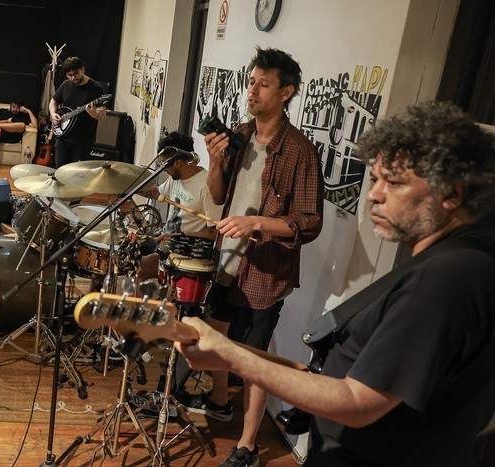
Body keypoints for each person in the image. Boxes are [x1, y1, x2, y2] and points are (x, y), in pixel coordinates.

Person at [176, 100, 495, 467]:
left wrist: (229, 353)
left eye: (394, 183)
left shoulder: (445, 280)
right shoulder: (451, 258)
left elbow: (357, 402)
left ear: (452, 193)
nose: (374, 195)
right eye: (375, 179)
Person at [184, 47, 324, 467]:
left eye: (263, 84)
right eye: (251, 81)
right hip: (227, 261)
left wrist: (256, 224)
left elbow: (309, 223)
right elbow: (219, 194)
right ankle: (220, 401)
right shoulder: (241, 134)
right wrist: (213, 160)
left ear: (286, 92)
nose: (252, 91)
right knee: (217, 338)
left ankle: (246, 446)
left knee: (255, 362)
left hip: (264, 273)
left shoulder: (299, 151)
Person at [138, 131, 223, 279]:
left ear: (177, 162)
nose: (164, 169)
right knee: (127, 251)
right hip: (165, 241)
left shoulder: (206, 186)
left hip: (183, 249)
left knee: (137, 267)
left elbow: (215, 232)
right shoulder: (176, 179)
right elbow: (155, 192)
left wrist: (177, 235)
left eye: (165, 164)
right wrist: (122, 185)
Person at [49, 56, 107, 168]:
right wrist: (53, 114)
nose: (72, 78)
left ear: (83, 70)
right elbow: (53, 102)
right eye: (69, 75)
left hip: (83, 141)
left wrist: (94, 114)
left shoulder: (95, 88)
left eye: (76, 73)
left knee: (77, 174)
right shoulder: (66, 85)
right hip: (63, 138)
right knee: (60, 171)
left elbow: (102, 113)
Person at [0, 96, 37, 171]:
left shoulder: (23, 116)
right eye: (13, 106)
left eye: (18, 107)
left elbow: (35, 126)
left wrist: (28, 111)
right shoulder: (2, 111)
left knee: (22, 125)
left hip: (12, 137)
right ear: (10, 105)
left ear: (21, 108)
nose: (15, 109)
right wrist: (6, 121)